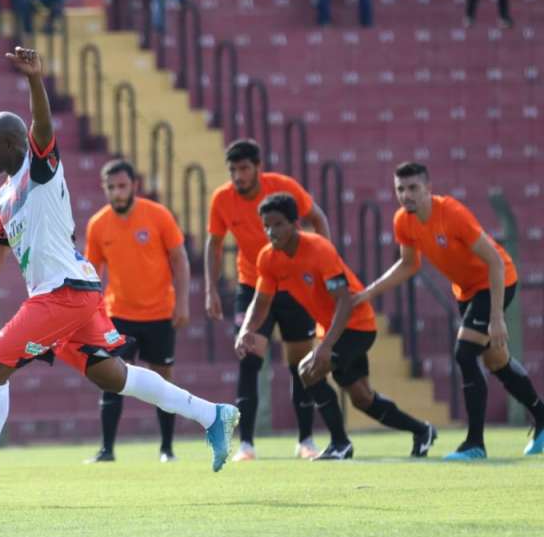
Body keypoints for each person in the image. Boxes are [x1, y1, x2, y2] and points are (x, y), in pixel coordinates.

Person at [0, 47, 239, 500]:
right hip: (72, 293)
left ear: (14, 145)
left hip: (63, 293)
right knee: (112, 376)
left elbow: (42, 127)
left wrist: (35, 81)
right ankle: (214, 416)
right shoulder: (1, 200)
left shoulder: (40, 169)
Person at [354, 162, 544, 459]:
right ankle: (542, 417)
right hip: (466, 290)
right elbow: (408, 264)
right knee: (496, 361)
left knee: (465, 353)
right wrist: (369, 291)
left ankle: (475, 444)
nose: (406, 195)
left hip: (497, 281)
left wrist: (496, 318)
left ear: (429, 189)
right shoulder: (403, 221)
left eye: (413, 188)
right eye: (400, 189)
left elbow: (494, 260)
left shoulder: (453, 214)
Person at [236, 193, 438, 460]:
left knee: (308, 371)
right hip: (335, 329)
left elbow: (344, 301)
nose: (272, 231)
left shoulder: (319, 250)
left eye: (278, 224)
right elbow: (261, 301)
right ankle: (422, 430)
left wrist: (326, 346)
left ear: (295, 223)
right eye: (267, 226)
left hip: (357, 325)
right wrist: (246, 329)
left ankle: (340, 443)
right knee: (362, 398)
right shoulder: (268, 258)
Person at [205, 140, 331, 461]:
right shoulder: (222, 199)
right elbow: (214, 244)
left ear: (258, 167)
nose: (238, 175)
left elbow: (318, 218)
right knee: (249, 359)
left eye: (244, 168)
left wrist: (322, 266)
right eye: (232, 169)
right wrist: (211, 288)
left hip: (294, 286)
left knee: (299, 364)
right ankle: (246, 444)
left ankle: (306, 440)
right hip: (254, 286)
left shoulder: (283, 189)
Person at [83, 159, 191, 463]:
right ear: (104, 189)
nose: (118, 193)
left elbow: (180, 258)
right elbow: (92, 272)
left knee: (163, 380)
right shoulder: (98, 224)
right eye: (112, 187)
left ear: (135, 186)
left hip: (159, 314)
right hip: (119, 315)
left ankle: (167, 449)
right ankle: (107, 450)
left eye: (123, 186)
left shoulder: (158, 216)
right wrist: (92, 314)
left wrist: (182, 302)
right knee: (111, 378)